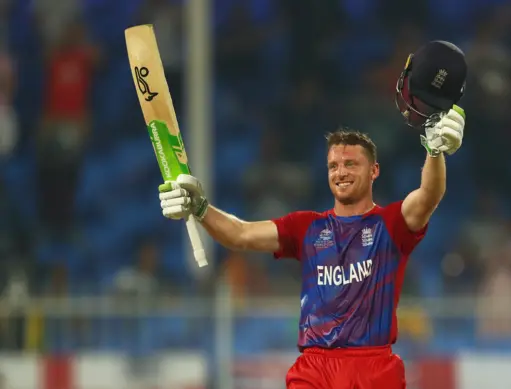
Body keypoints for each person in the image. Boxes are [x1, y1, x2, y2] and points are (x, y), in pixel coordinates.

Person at [158, 41, 467, 389]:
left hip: (374, 365)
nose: (341, 172)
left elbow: (429, 196)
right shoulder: (306, 227)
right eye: (334, 165)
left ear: (374, 171)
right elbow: (239, 234)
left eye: (352, 164)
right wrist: (200, 208)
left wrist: (435, 150)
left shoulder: (390, 224)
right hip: (314, 367)